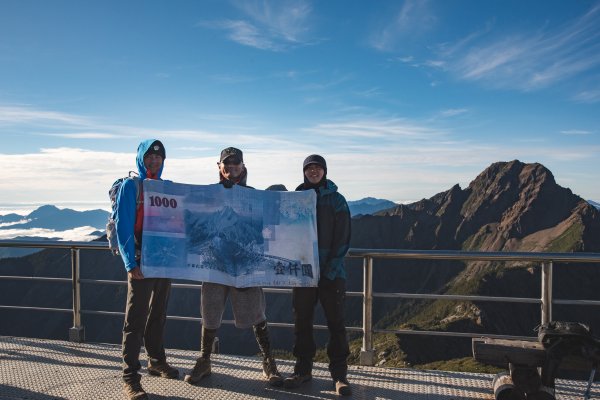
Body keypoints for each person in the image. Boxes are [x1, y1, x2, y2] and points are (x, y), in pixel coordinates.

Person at [184, 147, 283, 387]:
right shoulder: (210, 195)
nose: (231, 167)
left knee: (256, 313)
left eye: (236, 163)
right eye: (227, 164)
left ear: (243, 166)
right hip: (215, 263)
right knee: (210, 312)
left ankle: (269, 361)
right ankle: (205, 360)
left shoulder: (254, 196)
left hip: (244, 262)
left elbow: (263, 233)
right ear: (219, 166)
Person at [284, 154, 352, 396]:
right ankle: (303, 370)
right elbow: (285, 233)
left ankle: (339, 376)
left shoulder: (336, 200)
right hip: (302, 273)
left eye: (317, 168)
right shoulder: (295, 199)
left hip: (331, 274)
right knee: (302, 322)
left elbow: (343, 239)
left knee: (336, 323)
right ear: (304, 172)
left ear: (324, 171)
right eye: (309, 168)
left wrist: (329, 271)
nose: (313, 172)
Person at [115, 139, 179, 400]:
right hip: (141, 259)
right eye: (149, 157)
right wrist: (130, 263)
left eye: (159, 157)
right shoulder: (132, 186)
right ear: (141, 159)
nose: (154, 161)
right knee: (136, 319)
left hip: (163, 260)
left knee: (158, 313)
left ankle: (156, 360)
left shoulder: (166, 187)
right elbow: (123, 225)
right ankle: (130, 377)